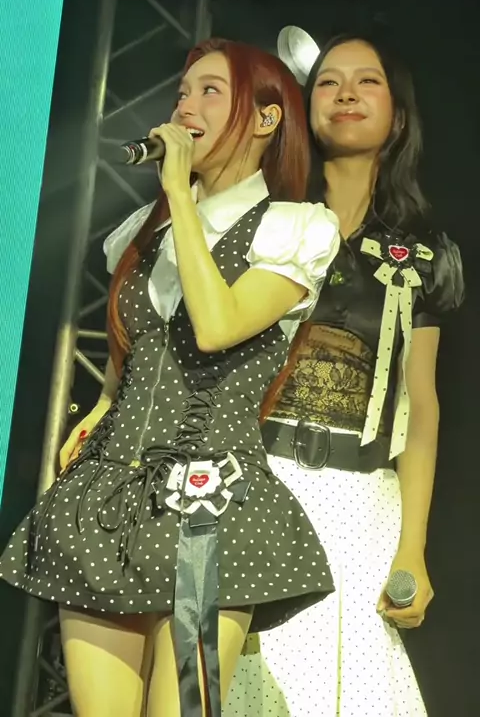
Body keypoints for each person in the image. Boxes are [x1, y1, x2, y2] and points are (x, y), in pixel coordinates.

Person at [0, 37, 340, 717]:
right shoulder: (141, 230)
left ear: (266, 119)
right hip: (104, 498)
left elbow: (217, 327)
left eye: (211, 92)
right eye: (183, 92)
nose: (185, 106)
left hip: (210, 506)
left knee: (184, 707)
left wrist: (180, 196)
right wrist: (103, 404)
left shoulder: (295, 228)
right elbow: (136, 347)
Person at [223, 30, 464, 716]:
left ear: (399, 116)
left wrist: (413, 548)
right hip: (252, 477)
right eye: (328, 80)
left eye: (368, 80)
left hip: (362, 502)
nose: (347, 93)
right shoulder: (261, 221)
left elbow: (421, 406)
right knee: (239, 678)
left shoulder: (424, 253)